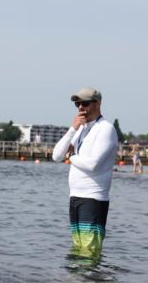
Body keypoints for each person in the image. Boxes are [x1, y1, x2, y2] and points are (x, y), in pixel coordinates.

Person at [51, 87, 119, 260]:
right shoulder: (81, 129)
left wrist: (72, 156)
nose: (81, 107)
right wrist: (72, 129)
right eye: (78, 104)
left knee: (89, 252)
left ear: (98, 104)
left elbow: (93, 165)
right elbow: (57, 156)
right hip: (75, 197)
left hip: (93, 198)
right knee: (77, 249)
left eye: (85, 103)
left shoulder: (106, 129)